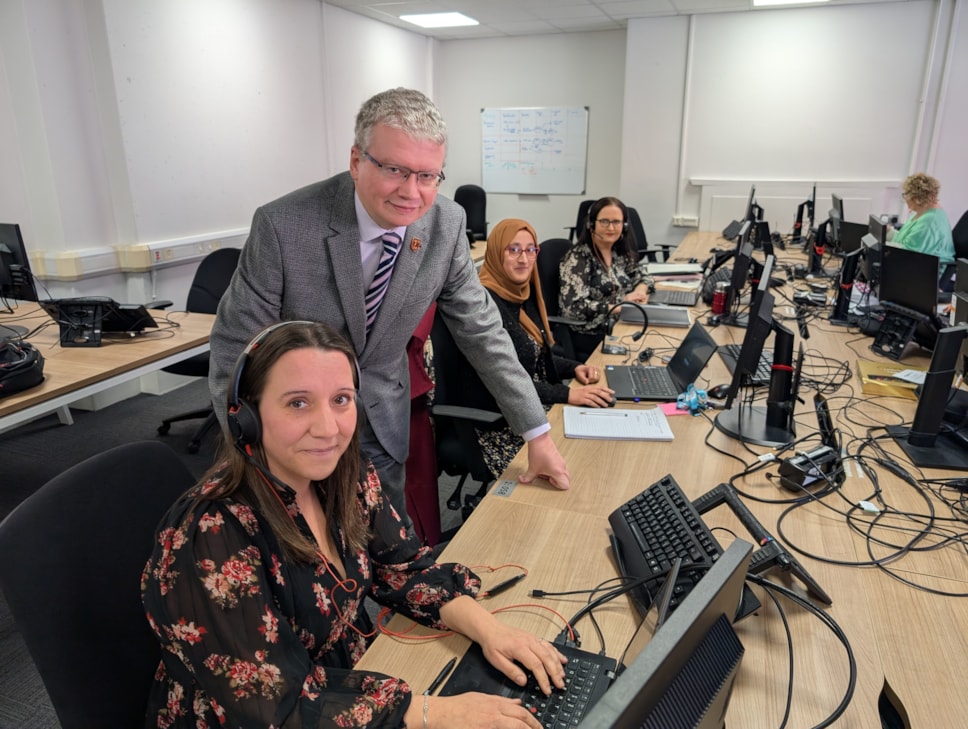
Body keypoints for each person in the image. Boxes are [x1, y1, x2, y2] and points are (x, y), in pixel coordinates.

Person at [142, 321, 565, 728]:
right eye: (297, 402)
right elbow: (272, 705)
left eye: (341, 399)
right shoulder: (210, 535)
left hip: (344, 682)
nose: (328, 429)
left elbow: (402, 568)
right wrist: (437, 714)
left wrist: (491, 632)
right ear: (246, 417)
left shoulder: (346, 475)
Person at [208, 88, 571, 535]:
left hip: (381, 414)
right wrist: (246, 445)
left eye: (427, 176)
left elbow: (482, 331)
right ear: (357, 161)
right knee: (298, 547)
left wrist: (536, 433)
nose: (411, 192)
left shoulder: (446, 224)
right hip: (294, 426)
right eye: (395, 170)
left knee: (384, 543)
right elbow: (235, 347)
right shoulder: (284, 225)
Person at [476, 218, 614, 477]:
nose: (524, 259)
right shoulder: (485, 306)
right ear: (496, 252)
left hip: (536, 405)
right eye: (513, 249)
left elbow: (536, 357)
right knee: (584, 467)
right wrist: (566, 395)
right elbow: (505, 380)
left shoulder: (521, 294)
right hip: (504, 422)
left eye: (531, 250)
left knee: (602, 446)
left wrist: (575, 368)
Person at [558, 196, 654, 361]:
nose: (611, 227)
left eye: (616, 222)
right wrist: (619, 305)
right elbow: (573, 309)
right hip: (590, 333)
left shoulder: (617, 251)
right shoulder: (578, 259)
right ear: (591, 224)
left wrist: (640, 292)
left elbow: (642, 274)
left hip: (619, 324)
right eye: (604, 221)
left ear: (624, 226)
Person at [890, 172, 955, 266]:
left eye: (906, 195)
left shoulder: (929, 221)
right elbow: (907, 241)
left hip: (927, 273)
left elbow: (907, 254)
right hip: (916, 264)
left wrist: (883, 245)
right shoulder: (922, 211)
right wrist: (890, 233)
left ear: (916, 198)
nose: (905, 199)